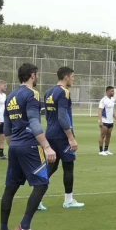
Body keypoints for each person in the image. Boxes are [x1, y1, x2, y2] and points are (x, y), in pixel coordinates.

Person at [0, 63, 55, 230]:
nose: (37, 77)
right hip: (30, 146)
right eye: (36, 74)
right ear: (32, 75)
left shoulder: (11, 96)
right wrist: (46, 146)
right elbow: (34, 121)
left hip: (14, 146)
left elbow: (6, 128)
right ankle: (24, 225)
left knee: (10, 189)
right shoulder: (32, 94)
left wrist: (12, 145)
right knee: (42, 184)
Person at [45, 66, 84, 209]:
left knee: (51, 167)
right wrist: (71, 137)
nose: (73, 79)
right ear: (66, 77)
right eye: (73, 77)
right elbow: (62, 117)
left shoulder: (49, 92)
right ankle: (68, 200)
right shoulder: (64, 92)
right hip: (62, 136)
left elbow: (49, 116)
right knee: (68, 166)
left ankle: (37, 198)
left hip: (50, 134)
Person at [98, 86, 116, 155]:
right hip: (104, 121)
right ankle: (101, 151)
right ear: (107, 91)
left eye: (113, 91)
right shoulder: (103, 100)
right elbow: (100, 111)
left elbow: (112, 110)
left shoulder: (113, 100)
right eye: (112, 91)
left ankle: (106, 149)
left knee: (108, 136)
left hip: (110, 121)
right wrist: (100, 121)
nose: (113, 92)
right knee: (102, 135)